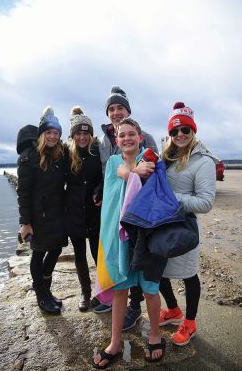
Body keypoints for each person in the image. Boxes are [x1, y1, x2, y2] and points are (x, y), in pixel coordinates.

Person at [92, 118, 165, 369]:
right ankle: (115, 342)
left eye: (131, 134)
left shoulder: (152, 161)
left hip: (146, 237)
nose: (126, 138)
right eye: (121, 135)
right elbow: (123, 173)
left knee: (150, 288)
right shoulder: (114, 162)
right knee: (120, 289)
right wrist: (135, 171)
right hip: (120, 237)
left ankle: (155, 335)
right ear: (116, 140)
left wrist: (147, 168)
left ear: (140, 137)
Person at [94, 85, 158, 332]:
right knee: (122, 277)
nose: (115, 111)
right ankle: (116, 337)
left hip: (144, 226)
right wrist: (133, 172)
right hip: (118, 222)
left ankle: (147, 320)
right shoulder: (107, 149)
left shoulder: (147, 145)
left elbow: (155, 174)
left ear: (139, 137)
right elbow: (114, 172)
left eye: (120, 107)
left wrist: (142, 168)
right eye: (111, 108)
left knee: (150, 282)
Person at [159, 102, 217, 346]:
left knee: (188, 274)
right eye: (174, 131)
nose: (180, 134)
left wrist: (172, 198)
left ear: (193, 130)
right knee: (158, 271)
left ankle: (190, 322)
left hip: (184, 226)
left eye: (185, 129)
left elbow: (205, 203)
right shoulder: (168, 156)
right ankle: (173, 310)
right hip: (161, 224)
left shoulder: (204, 162)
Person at [17, 107, 67, 315]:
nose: (53, 136)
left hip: (57, 213)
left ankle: (46, 288)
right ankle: (41, 294)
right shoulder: (29, 157)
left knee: (55, 249)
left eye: (56, 133)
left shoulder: (59, 154)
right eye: (49, 132)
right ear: (41, 134)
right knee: (38, 253)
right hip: (38, 216)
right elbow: (23, 192)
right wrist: (25, 222)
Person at [65, 107, 103, 311]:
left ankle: (101, 291)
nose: (82, 137)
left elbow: (106, 176)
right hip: (73, 211)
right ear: (72, 135)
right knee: (79, 255)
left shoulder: (97, 150)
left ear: (91, 134)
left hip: (95, 210)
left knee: (98, 254)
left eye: (85, 133)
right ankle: (85, 292)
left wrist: (99, 190)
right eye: (78, 133)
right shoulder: (66, 153)